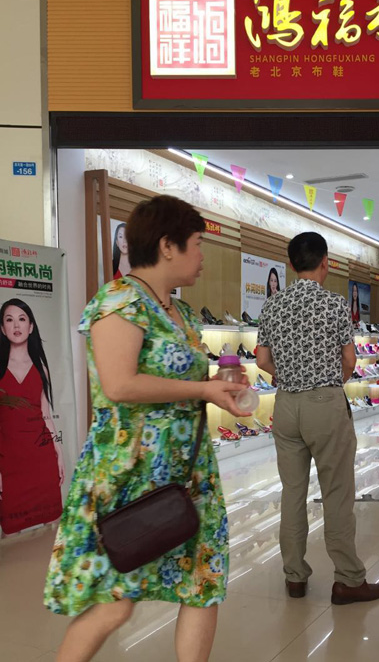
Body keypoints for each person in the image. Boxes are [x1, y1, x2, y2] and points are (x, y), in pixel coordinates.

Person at [44, 195, 250, 662]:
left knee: (203, 584)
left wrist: (218, 387)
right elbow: (119, 384)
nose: (202, 256)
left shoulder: (181, 313)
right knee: (115, 602)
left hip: (188, 473)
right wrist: (201, 392)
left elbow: (183, 383)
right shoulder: (119, 300)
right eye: (197, 243)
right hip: (129, 473)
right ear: (167, 245)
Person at [256, 232, 379, 605]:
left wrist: (289, 378)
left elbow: (263, 360)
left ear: (292, 264)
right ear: (325, 261)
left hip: (284, 407)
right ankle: (347, 578)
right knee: (337, 493)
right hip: (324, 404)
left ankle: (295, 577)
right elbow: (349, 361)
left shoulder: (273, 305)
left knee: (293, 493)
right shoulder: (334, 304)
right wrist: (329, 385)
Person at [0, 299, 64, 535]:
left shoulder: (40, 367)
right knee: (11, 538)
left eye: (22, 319)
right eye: (9, 319)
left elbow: (46, 414)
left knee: (51, 531)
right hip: (9, 463)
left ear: (31, 327)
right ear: (2, 328)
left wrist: (58, 453)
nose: (16, 325)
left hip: (42, 458)